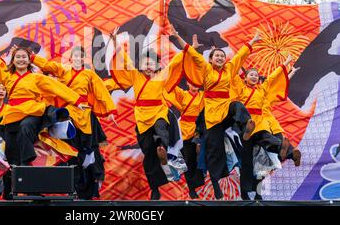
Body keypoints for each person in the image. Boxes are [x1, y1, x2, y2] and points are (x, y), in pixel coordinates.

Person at [0, 29, 86, 198]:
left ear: (28, 61)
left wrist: (76, 100)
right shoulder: (6, 76)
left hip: (33, 113)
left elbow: (56, 87)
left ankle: (27, 163)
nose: (20, 59)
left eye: (23, 57)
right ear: (13, 60)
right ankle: (13, 191)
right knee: (11, 153)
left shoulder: (36, 78)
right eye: (17, 57)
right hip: (12, 116)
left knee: (26, 128)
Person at [168, 25, 260, 199]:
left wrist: (253, 41)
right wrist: (178, 37)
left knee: (238, 106)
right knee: (213, 151)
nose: (220, 58)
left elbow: (240, 55)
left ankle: (246, 126)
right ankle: (216, 184)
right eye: (217, 56)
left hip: (226, 109)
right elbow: (192, 54)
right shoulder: (205, 68)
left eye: (222, 56)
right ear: (210, 59)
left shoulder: (229, 68)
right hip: (211, 114)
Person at [31, 46, 117, 199]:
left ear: (84, 59)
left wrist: (110, 111)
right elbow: (48, 65)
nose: (78, 58)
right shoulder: (64, 70)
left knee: (89, 149)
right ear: (71, 58)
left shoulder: (89, 74)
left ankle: (90, 182)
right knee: (72, 152)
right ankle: (75, 187)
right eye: (75, 56)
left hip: (85, 113)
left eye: (81, 56)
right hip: (68, 114)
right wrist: (32, 57)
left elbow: (101, 91)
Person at [108, 27, 184, 200]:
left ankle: (163, 146)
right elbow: (123, 58)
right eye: (145, 62)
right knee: (149, 153)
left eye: (152, 62)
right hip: (142, 117)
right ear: (140, 65)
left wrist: (187, 48)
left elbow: (175, 62)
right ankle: (155, 188)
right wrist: (114, 41)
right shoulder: (135, 76)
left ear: (157, 65)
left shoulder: (162, 75)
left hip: (159, 111)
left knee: (160, 127)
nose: (149, 65)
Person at [233, 56, 300, 200]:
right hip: (246, 125)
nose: (255, 77)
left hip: (260, 125)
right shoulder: (241, 88)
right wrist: (236, 66)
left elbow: (272, 79)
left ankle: (288, 152)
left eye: (256, 75)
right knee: (247, 161)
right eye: (251, 74)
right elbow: (232, 75)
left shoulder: (262, 92)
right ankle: (245, 193)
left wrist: (286, 64)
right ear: (245, 78)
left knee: (264, 160)